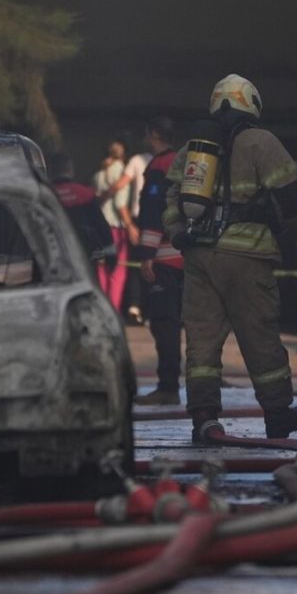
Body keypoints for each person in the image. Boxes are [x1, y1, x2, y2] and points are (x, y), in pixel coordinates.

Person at [162, 73, 297, 440]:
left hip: (199, 257)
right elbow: (292, 196)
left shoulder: (192, 150)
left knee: (201, 339)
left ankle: (204, 417)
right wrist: (273, 221)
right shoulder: (262, 142)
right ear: (251, 103)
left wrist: (179, 233)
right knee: (258, 336)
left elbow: (170, 201)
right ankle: (277, 414)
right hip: (247, 258)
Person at [132, 117, 182, 406]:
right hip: (184, 257)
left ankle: (167, 387)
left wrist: (147, 255)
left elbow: (153, 211)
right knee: (178, 324)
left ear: (152, 134)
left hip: (163, 259)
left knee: (164, 325)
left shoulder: (158, 168)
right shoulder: (185, 162)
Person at [102, 134, 153, 325]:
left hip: (135, 218)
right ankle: (146, 309)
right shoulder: (163, 160)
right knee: (150, 263)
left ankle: (133, 306)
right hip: (153, 218)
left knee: (131, 265)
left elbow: (121, 186)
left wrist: (101, 196)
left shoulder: (135, 161)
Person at [93, 139, 138, 311]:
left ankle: (101, 308)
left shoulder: (99, 173)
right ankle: (113, 309)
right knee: (118, 270)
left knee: (101, 268)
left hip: (100, 226)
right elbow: (120, 203)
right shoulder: (121, 171)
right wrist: (130, 225)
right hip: (116, 228)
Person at [49, 154, 115, 265]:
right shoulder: (85, 193)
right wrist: (110, 255)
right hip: (86, 256)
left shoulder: (44, 195)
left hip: (54, 258)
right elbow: (100, 225)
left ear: (50, 170)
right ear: (70, 168)